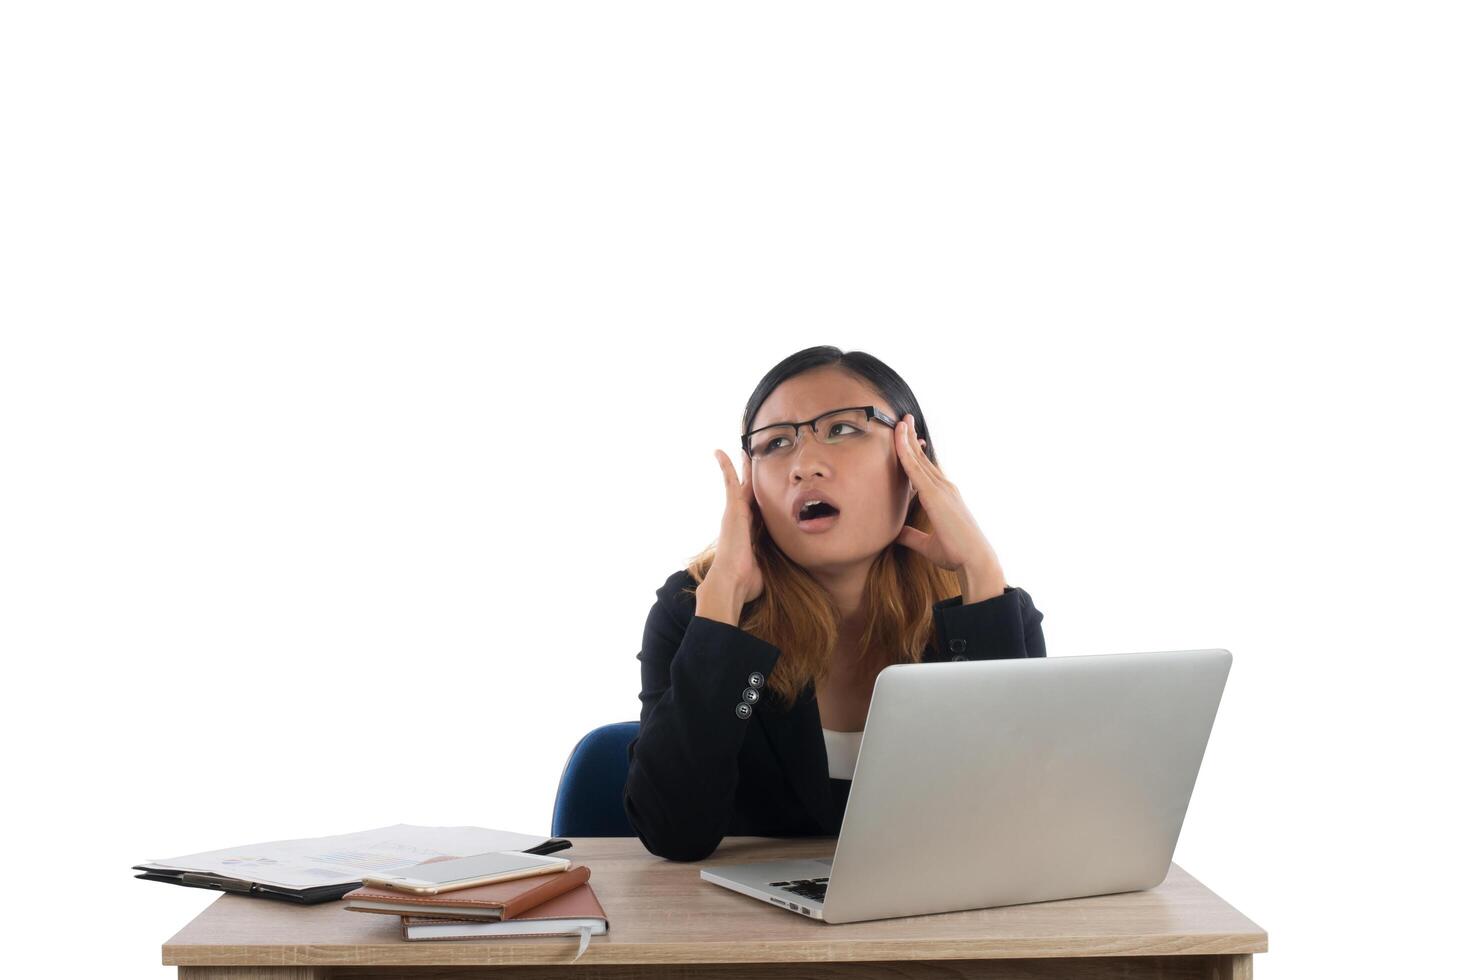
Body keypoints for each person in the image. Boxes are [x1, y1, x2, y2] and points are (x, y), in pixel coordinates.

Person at [623, 346, 1046, 861]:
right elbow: (674, 835)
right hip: (746, 933)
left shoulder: (993, 611)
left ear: (915, 462)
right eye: (776, 443)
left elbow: (1012, 826)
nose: (803, 466)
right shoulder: (696, 610)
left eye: (843, 429)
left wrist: (980, 571)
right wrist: (723, 607)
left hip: (937, 932)